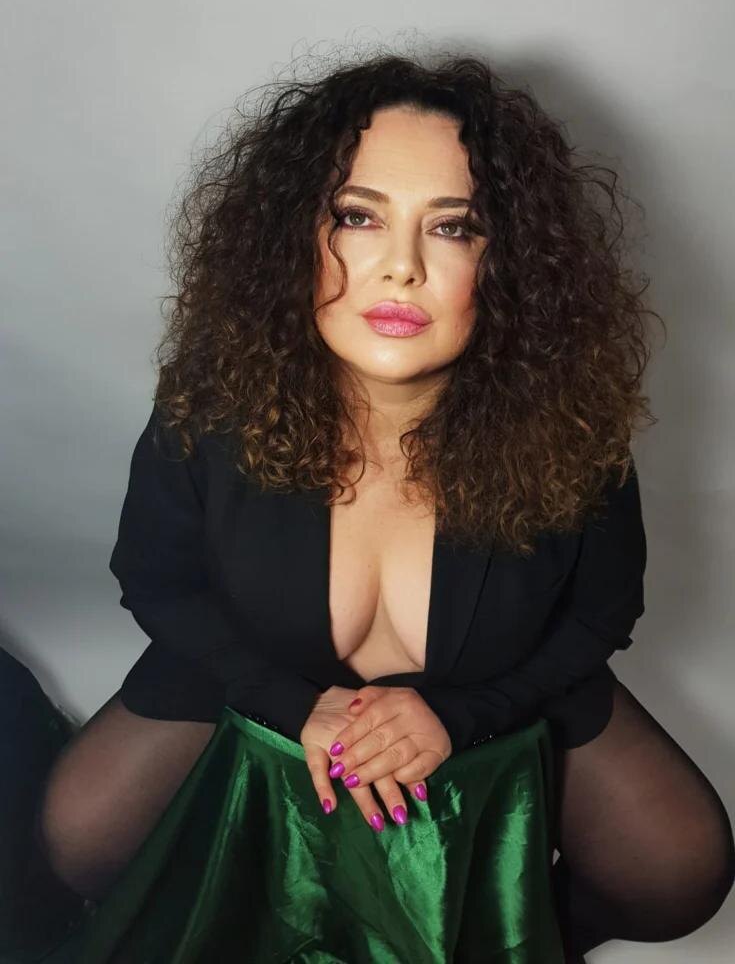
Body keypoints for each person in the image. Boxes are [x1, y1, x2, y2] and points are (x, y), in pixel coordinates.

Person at [33, 51, 734, 961]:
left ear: (509, 263)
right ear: (293, 234)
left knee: (678, 871)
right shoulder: (214, 402)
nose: (401, 268)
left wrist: (468, 714)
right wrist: (292, 707)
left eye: (453, 228)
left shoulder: (568, 423)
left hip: (497, 683)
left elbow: (602, 610)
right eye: (358, 216)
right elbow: (157, 581)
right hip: (259, 666)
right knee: (81, 841)